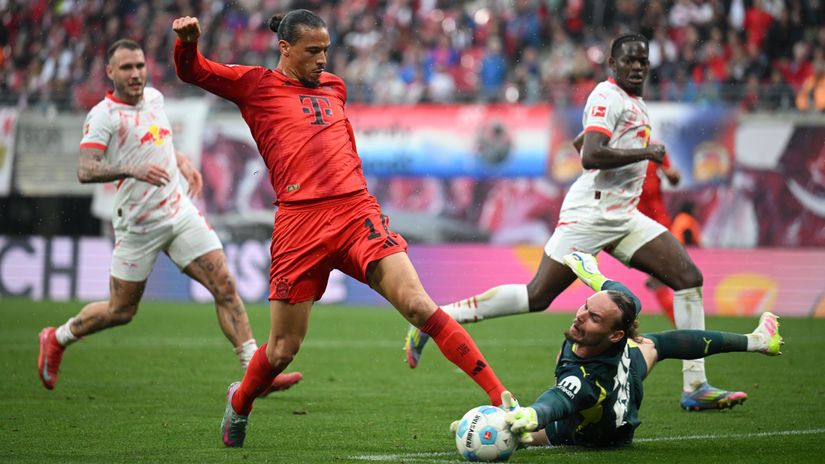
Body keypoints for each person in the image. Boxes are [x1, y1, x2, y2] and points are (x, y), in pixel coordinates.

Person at [171, 11, 510, 448]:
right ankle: (241, 402)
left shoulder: (335, 88)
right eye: (313, 51)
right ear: (285, 48)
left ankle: (501, 397)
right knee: (282, 350)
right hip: (300, 224)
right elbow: (193, 70)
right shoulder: (255, 85)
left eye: (326, 50)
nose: (322, 60)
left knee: (419, 305)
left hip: (355, 213)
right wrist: (187, 44)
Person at [406, 33, 747, 412]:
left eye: (642, 61)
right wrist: (646, 152)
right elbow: (591, 155)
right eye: (629, 61)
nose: (637, 67)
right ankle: (437, 318)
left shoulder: (632, 102)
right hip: (591, 214)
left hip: (624, 215)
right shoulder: (606, 96)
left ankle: (695, 386)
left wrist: (647, 159)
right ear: (613, 65)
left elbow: (581, 142)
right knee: (537, 296)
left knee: (688, 278)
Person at [36, 39, 301, 395]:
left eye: (140, 66)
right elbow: (86, 169)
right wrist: (132, 168)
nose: (135, 74)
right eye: (127, 68)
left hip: (179, 212)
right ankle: (57, 337)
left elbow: (156, 140)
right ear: (110, 72)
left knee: (225, 286)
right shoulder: (103, 115)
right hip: (137, 224)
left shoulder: (155, 99)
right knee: (121, 310)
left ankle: (257, 375)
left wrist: (180, 160)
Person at [490, 252, 783, 448]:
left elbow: (557, 400)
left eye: (594, 318)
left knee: (521, 434)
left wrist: (533, 413)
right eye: (585, 306)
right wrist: (590, 273)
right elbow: (619, 292)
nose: (581, 316)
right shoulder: (619, 321)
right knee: (656, 344)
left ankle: (518, 432)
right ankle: (756, 341)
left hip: (599, 433)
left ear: (616, 333)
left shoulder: (584, 381)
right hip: (623, 374)